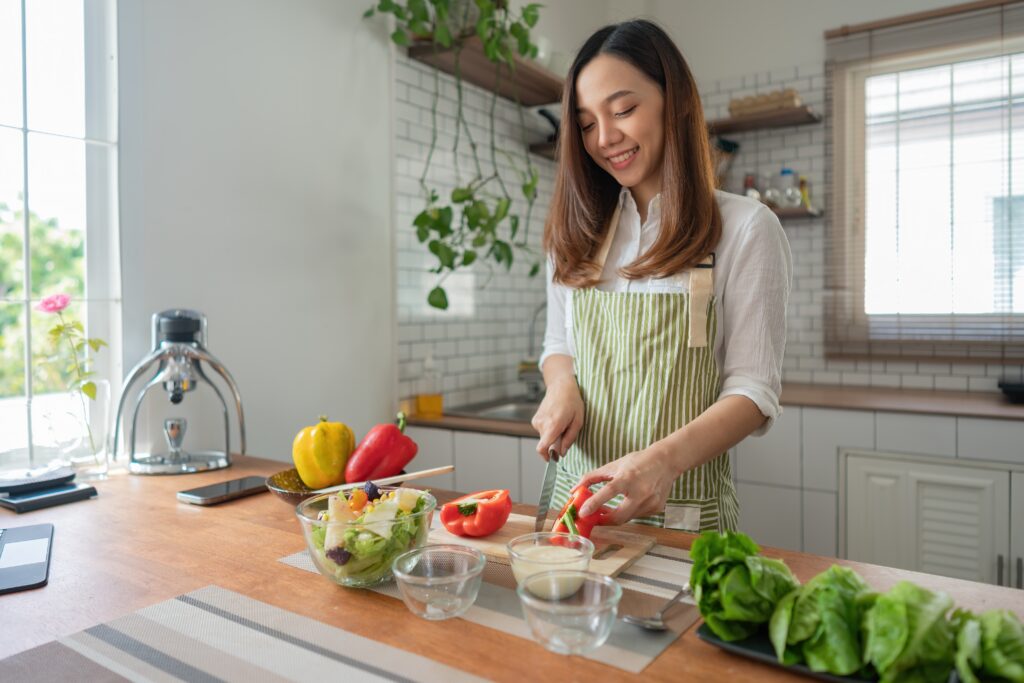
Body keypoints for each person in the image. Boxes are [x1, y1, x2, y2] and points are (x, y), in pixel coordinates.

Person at [532, 19, 792, 532]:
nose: (605, 138)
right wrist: (561, 385)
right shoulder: (576, 232)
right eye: (586, 124)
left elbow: (754, 392)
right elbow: (558, 342)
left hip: (683, 523)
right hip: (576, 518)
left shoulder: (745, 227)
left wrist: (662, 462)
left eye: (623, 109)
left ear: (673, 101)